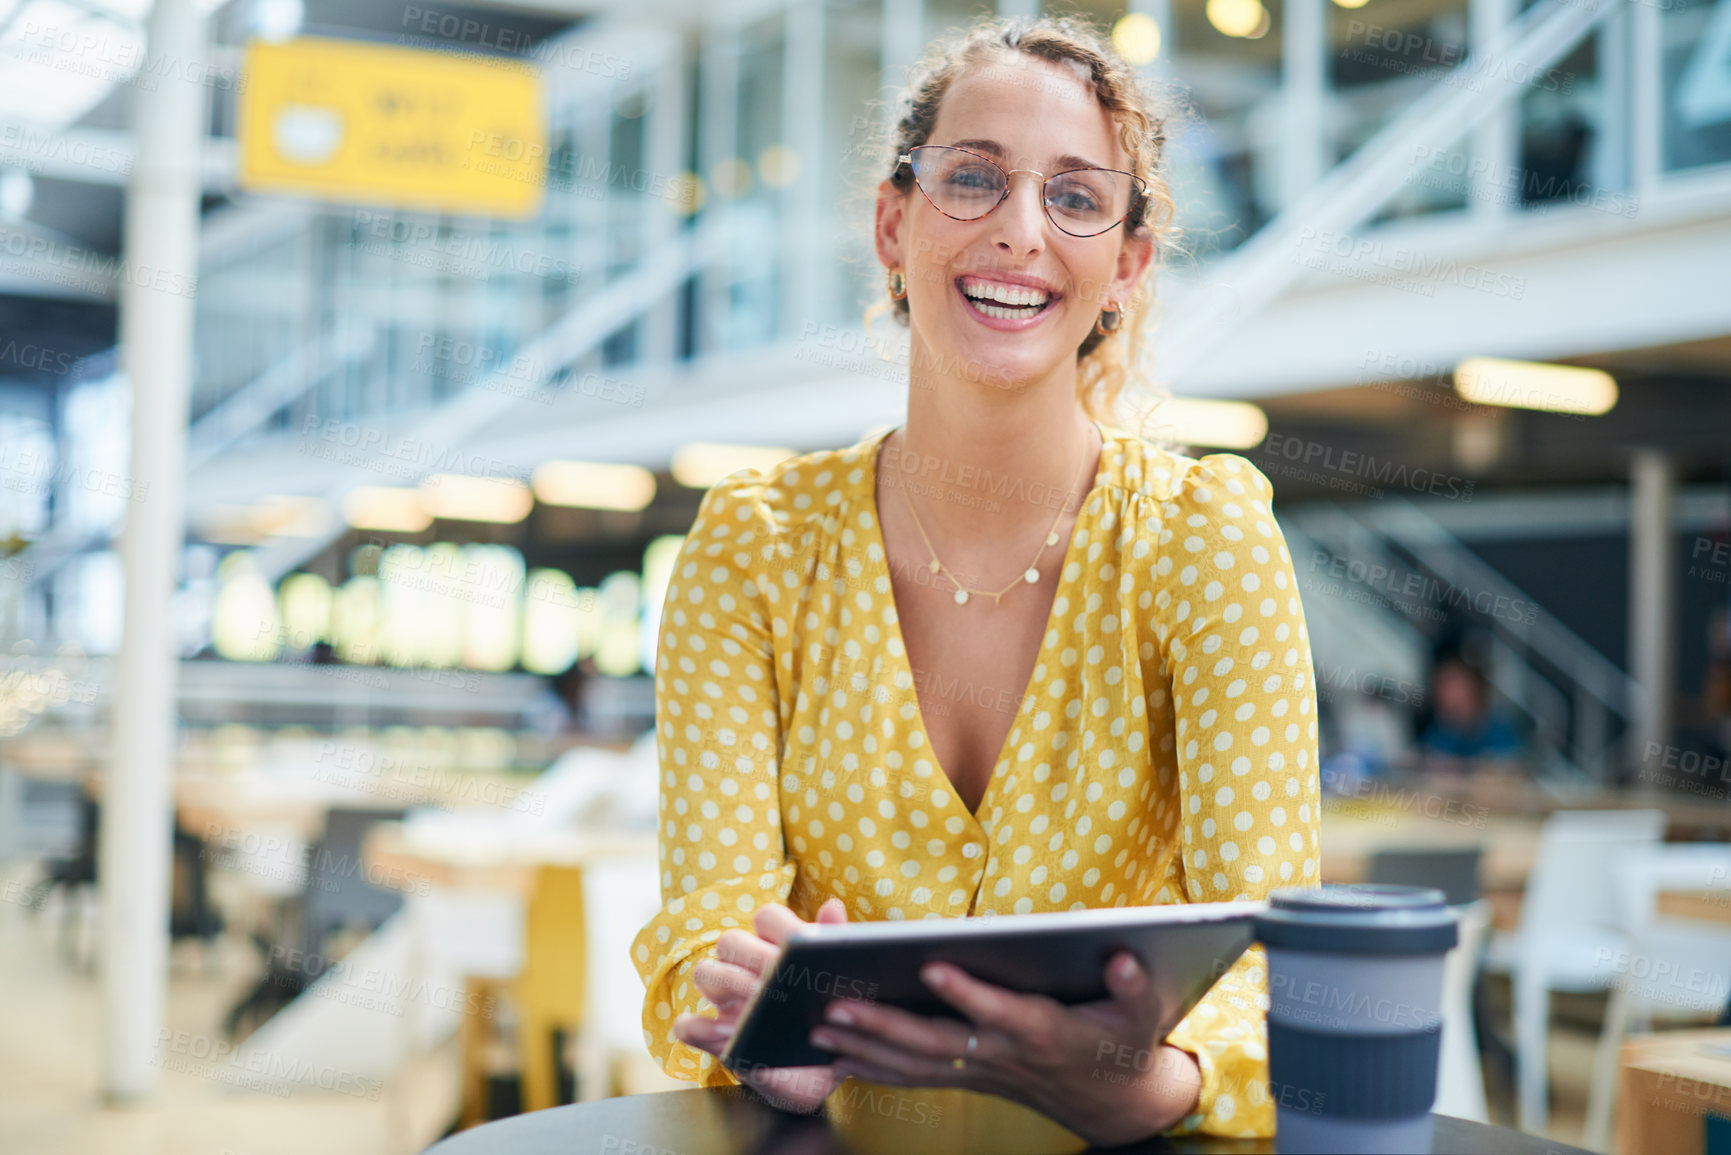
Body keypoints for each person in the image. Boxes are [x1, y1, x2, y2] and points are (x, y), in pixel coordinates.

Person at [630, 16, 1320, 1144]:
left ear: (1126, 267)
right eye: (973, 180)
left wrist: (1152, 1083)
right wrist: (767, 1034)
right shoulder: (750, 551)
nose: (1019, 232)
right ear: (894, 224)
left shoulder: (1204, 541)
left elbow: (1280, 945)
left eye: (1077, 198)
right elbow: (709, 919)